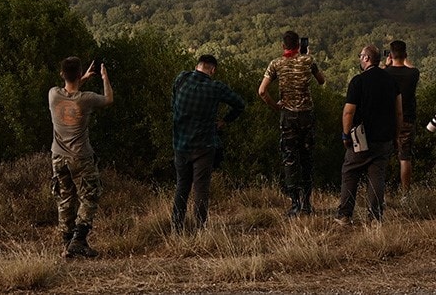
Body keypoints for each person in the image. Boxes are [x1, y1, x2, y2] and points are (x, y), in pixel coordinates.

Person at [172, 54, 245, 232]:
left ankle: (176, 228)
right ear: (212, 69)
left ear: (197, 65)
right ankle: (200, 229)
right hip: (204, 146)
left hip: (180, 143)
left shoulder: (182, 78)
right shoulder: (215, 88)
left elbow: (174, 101)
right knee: (201, 189)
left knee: (182, 186)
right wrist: (225, 121)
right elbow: (240, 104)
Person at [49, 56, 114, 258]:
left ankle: (67, 243)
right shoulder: (86, 99)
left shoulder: (53, 95)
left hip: (58, 156)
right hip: (80, 157)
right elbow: (109, 99)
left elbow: (69, 89)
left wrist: (82, 77)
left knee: (65, 199)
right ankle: (79, 239)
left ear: (62, 74)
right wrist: (104, 78)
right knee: (90, 196)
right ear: (78, 74)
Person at [258, 30, 326, 216]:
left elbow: (262, 91)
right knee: (306, 158)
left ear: (283, 46)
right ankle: (306, 203)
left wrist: (276, 106)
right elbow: (321, 81)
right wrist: (307, 57)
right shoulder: (308, 61)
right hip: (306, 115)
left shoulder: (276, 64)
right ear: (299, 45)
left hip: (287, 116)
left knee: (290, 159)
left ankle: (294, 204)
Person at [336, 44, 401, 224]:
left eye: (360, 55)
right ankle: (374, 218)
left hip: (362, 137)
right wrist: (396, 136)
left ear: (366, 58)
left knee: (350, 171)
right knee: (377, 176)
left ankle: (345, 215)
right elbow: (399, 112)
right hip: (384, 136)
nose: (359, 58)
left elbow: (348, 111)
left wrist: (345, 134)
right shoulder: (391, 81)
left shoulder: (358, 81)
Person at [383, 40, 420, 193]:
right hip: (407, 119)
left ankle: (381, 191)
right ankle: (405, 193)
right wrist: (404, 59)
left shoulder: (385, 73)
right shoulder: (413, 74)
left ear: (390, 55)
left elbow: (378, 73)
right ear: (405, 54)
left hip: (387, 119)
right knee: (405, 157)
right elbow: (411, 67)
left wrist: (387, 64)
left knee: (382, 156)